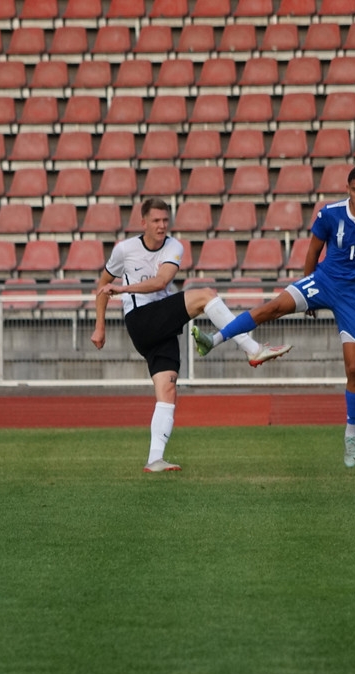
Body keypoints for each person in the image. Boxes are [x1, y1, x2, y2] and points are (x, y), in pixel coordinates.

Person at [195, 166, 355, 468]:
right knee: (272, 307)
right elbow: (313, 251)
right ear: (347, 188)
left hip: (354, 297)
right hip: (323, 281)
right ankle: (212, 340)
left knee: (353, 367)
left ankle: (351, 432)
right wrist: (308, 291)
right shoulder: (330, 214)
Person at [90, 197, 290, 472]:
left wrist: (123, 289)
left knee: (167, 389)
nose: (161, 226)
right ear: (143, 222)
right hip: (141, 320)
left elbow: (162, 281)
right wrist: (100, 326)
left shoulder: (174, 246)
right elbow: (103, 285)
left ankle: (155, 459)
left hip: (162, 323)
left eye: (165, 220)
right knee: (205, 295)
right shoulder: (124, 250)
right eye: (156, 221)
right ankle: (252, 348)